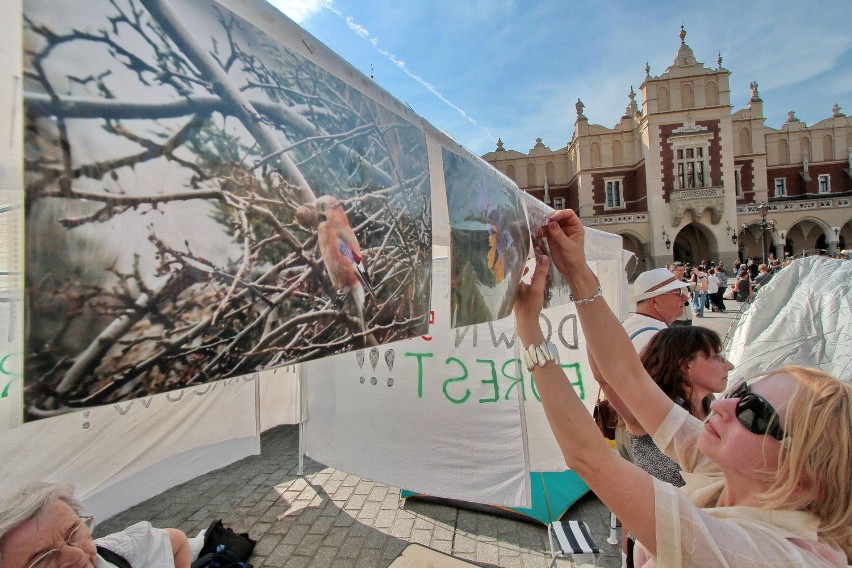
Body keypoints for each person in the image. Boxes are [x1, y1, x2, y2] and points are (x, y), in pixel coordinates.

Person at [515, 209, 851, 567]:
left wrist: (528, 325)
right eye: (741, 392)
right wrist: (577, 272)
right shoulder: (733, 476)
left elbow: (589, 456)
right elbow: (628, 378)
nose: (723, 406)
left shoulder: (762, 555)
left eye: (752, 412)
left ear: (803, 475)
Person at [596, 326, 734, 567]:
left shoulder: (715, 407)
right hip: (655, 547)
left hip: (706, 545)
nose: (729, 365)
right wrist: (587, 301)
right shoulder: (652, 415)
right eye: (717, 357)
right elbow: (607, 380)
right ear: (686, 366)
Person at [0, 482, 191, 568]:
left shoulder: (118, 552)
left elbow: (177, 540)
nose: (75, 555)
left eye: (73, 532)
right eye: (43, 558)